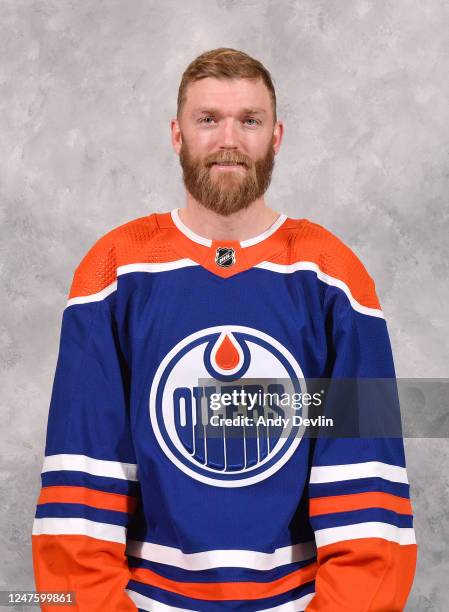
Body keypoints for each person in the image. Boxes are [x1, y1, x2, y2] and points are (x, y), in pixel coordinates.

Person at [32, 47, 417, 611]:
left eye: (250, 120)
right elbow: (81, 486)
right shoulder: (113, 271)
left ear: (277, 136)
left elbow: (369, 492)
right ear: (177, 134)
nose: (229, 139)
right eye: (208, 119)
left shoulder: (335, 276)